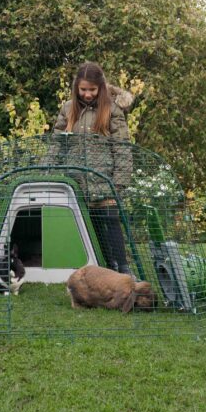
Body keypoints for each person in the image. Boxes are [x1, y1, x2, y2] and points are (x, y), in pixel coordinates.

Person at [53, 62, 134, 275]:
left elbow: (122, 148)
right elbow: (56, 144)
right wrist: (49, 170)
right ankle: (105, 269)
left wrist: (119, 181)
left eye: (92, 90)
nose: (87, 94)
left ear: (100, 88)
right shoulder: (68, 109)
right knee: (92, 226)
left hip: (104, 179)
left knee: (110, 219)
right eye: (83, 89)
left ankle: (123, 269)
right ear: (76, 88)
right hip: (76, 181)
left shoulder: (111, 110)